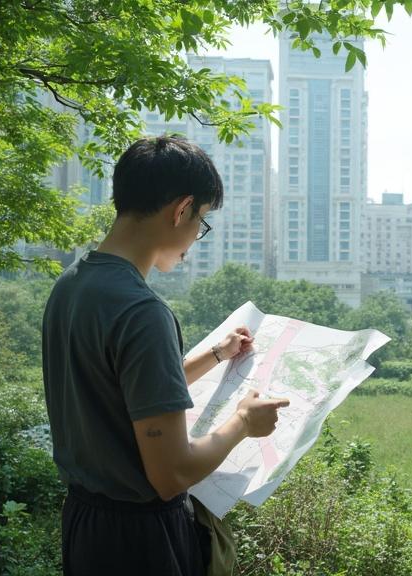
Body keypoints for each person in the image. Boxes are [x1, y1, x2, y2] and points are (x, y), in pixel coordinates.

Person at [42, 135, 289, 575]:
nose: (197, 236)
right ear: (181, 210)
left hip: (84, 527)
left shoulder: (72, 285)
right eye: (202, 221)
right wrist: (243, 423)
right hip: (141, 544)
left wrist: (217, 353)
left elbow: (122, 388)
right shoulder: (143, 312)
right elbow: (172, 473)